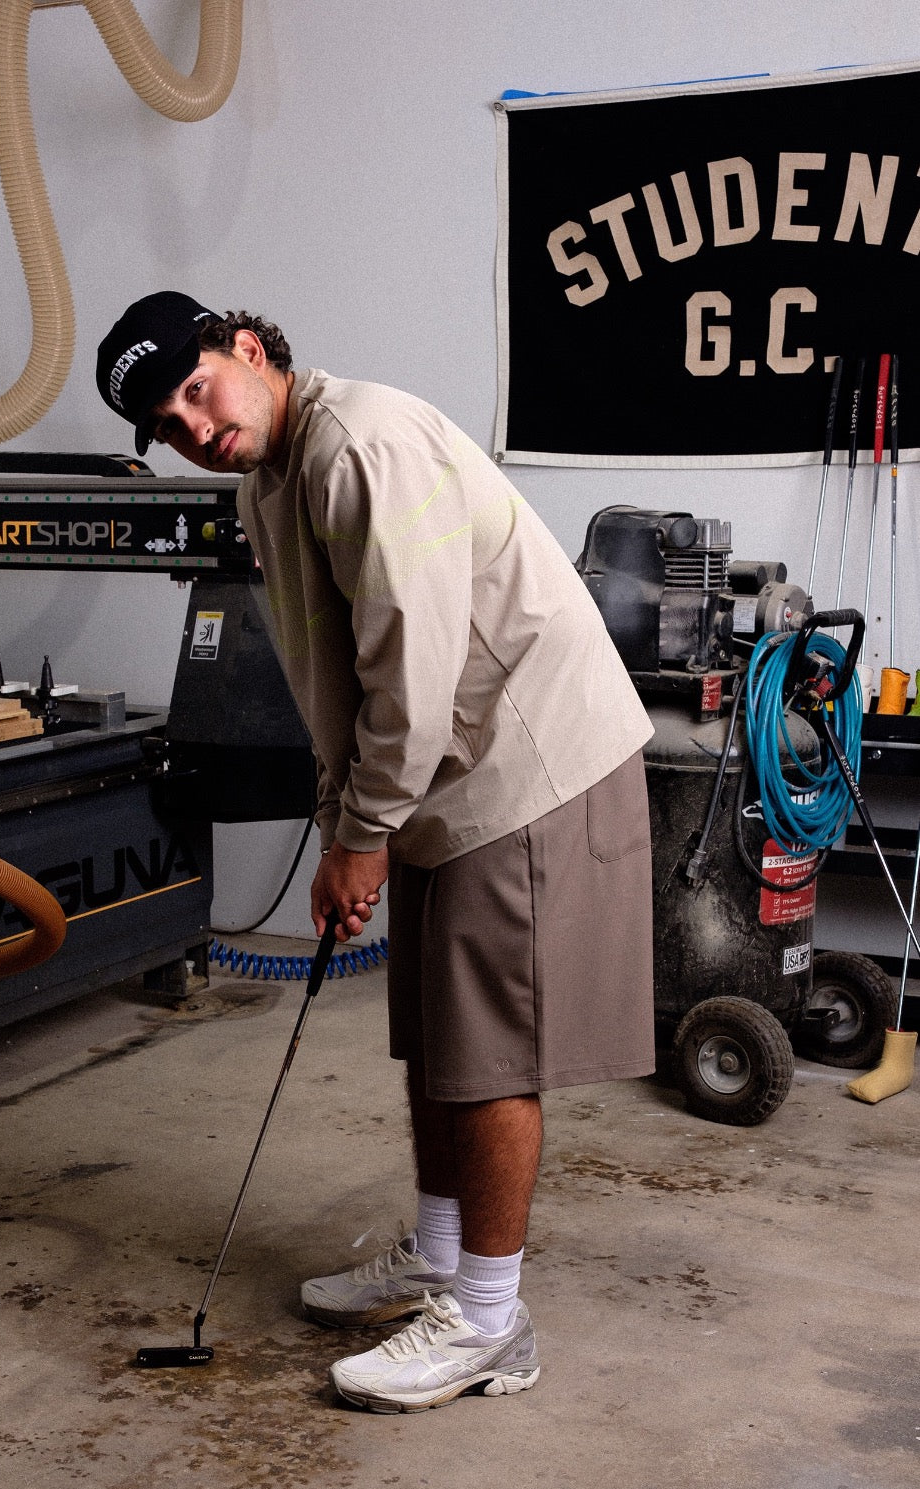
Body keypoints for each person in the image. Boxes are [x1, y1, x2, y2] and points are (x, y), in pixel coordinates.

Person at [95, 291, 656, 1413]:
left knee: (492, 1053)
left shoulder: (361, 446)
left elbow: (418, 666)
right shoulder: (268, 481)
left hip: (525, 767)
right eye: (166, 424)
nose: (192, 428)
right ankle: (444, 1261)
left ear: (246, 349)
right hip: (442, 781)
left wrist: (360, 835)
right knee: (442, 1036)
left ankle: (492, 1324)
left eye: (197, 390)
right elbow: (329, 675)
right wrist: (344, 820)